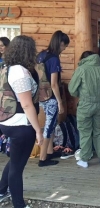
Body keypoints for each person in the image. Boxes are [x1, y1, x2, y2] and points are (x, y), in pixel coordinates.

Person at [0, 35, 43, 207]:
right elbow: (26, 104)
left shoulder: (7, 68)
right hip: (21, 124)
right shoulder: (20, 73)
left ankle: (2, 189)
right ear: (28, 51)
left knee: (15, 160)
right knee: (17, 168)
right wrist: (38, 130)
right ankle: (19, 204)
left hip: (7, 121)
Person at [68, 51, 100, 168]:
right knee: (99, 131)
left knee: (85, 132)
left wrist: (81, 94)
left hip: (85, 105)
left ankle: (84, 159)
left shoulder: (81, 69)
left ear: (84, 59)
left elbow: (72, 89)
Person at [37, 30, 69, 167]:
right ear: (60, 43)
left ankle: (50, 152)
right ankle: (43, 159)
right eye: (64, 46)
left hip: (40, 96)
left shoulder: (41, 55)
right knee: (49, 127)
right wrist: (60, 102)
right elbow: (54, 84)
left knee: (50, 125)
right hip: (51, 97)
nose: (64, 49)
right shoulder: (54, 59)